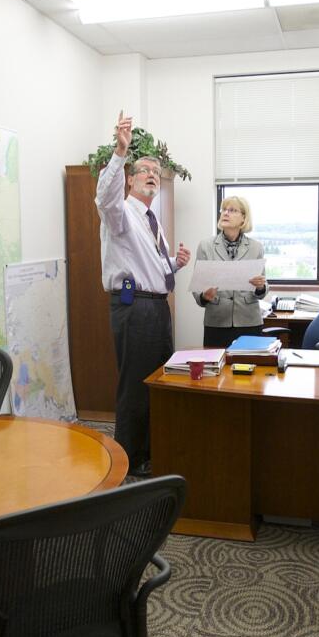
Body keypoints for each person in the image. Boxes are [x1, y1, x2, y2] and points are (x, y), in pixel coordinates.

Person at [96, 111, 190, 475]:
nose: (152, 175)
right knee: (135, 386)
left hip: (156, 307)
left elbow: (153, 268)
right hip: (133, 309)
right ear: (130, 180)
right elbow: (104, 199)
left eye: (155, 172)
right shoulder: (120, 213)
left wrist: (175, 263)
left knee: (158, 382)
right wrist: (120, 152)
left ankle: (150, 453)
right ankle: (128, 460)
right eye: (144, 171)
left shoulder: (152, 219)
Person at [192, 196, 267, 348]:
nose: (226, 213)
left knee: (249, 369)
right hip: (217, 322)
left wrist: (260, 286)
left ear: (243, 218)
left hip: (249, 321)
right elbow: (197, 285)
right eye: (224, 210)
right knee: (216, 370)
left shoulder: (256, 247)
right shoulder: (205, 246)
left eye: (232, 210)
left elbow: (263, 285)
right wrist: (204, 295)